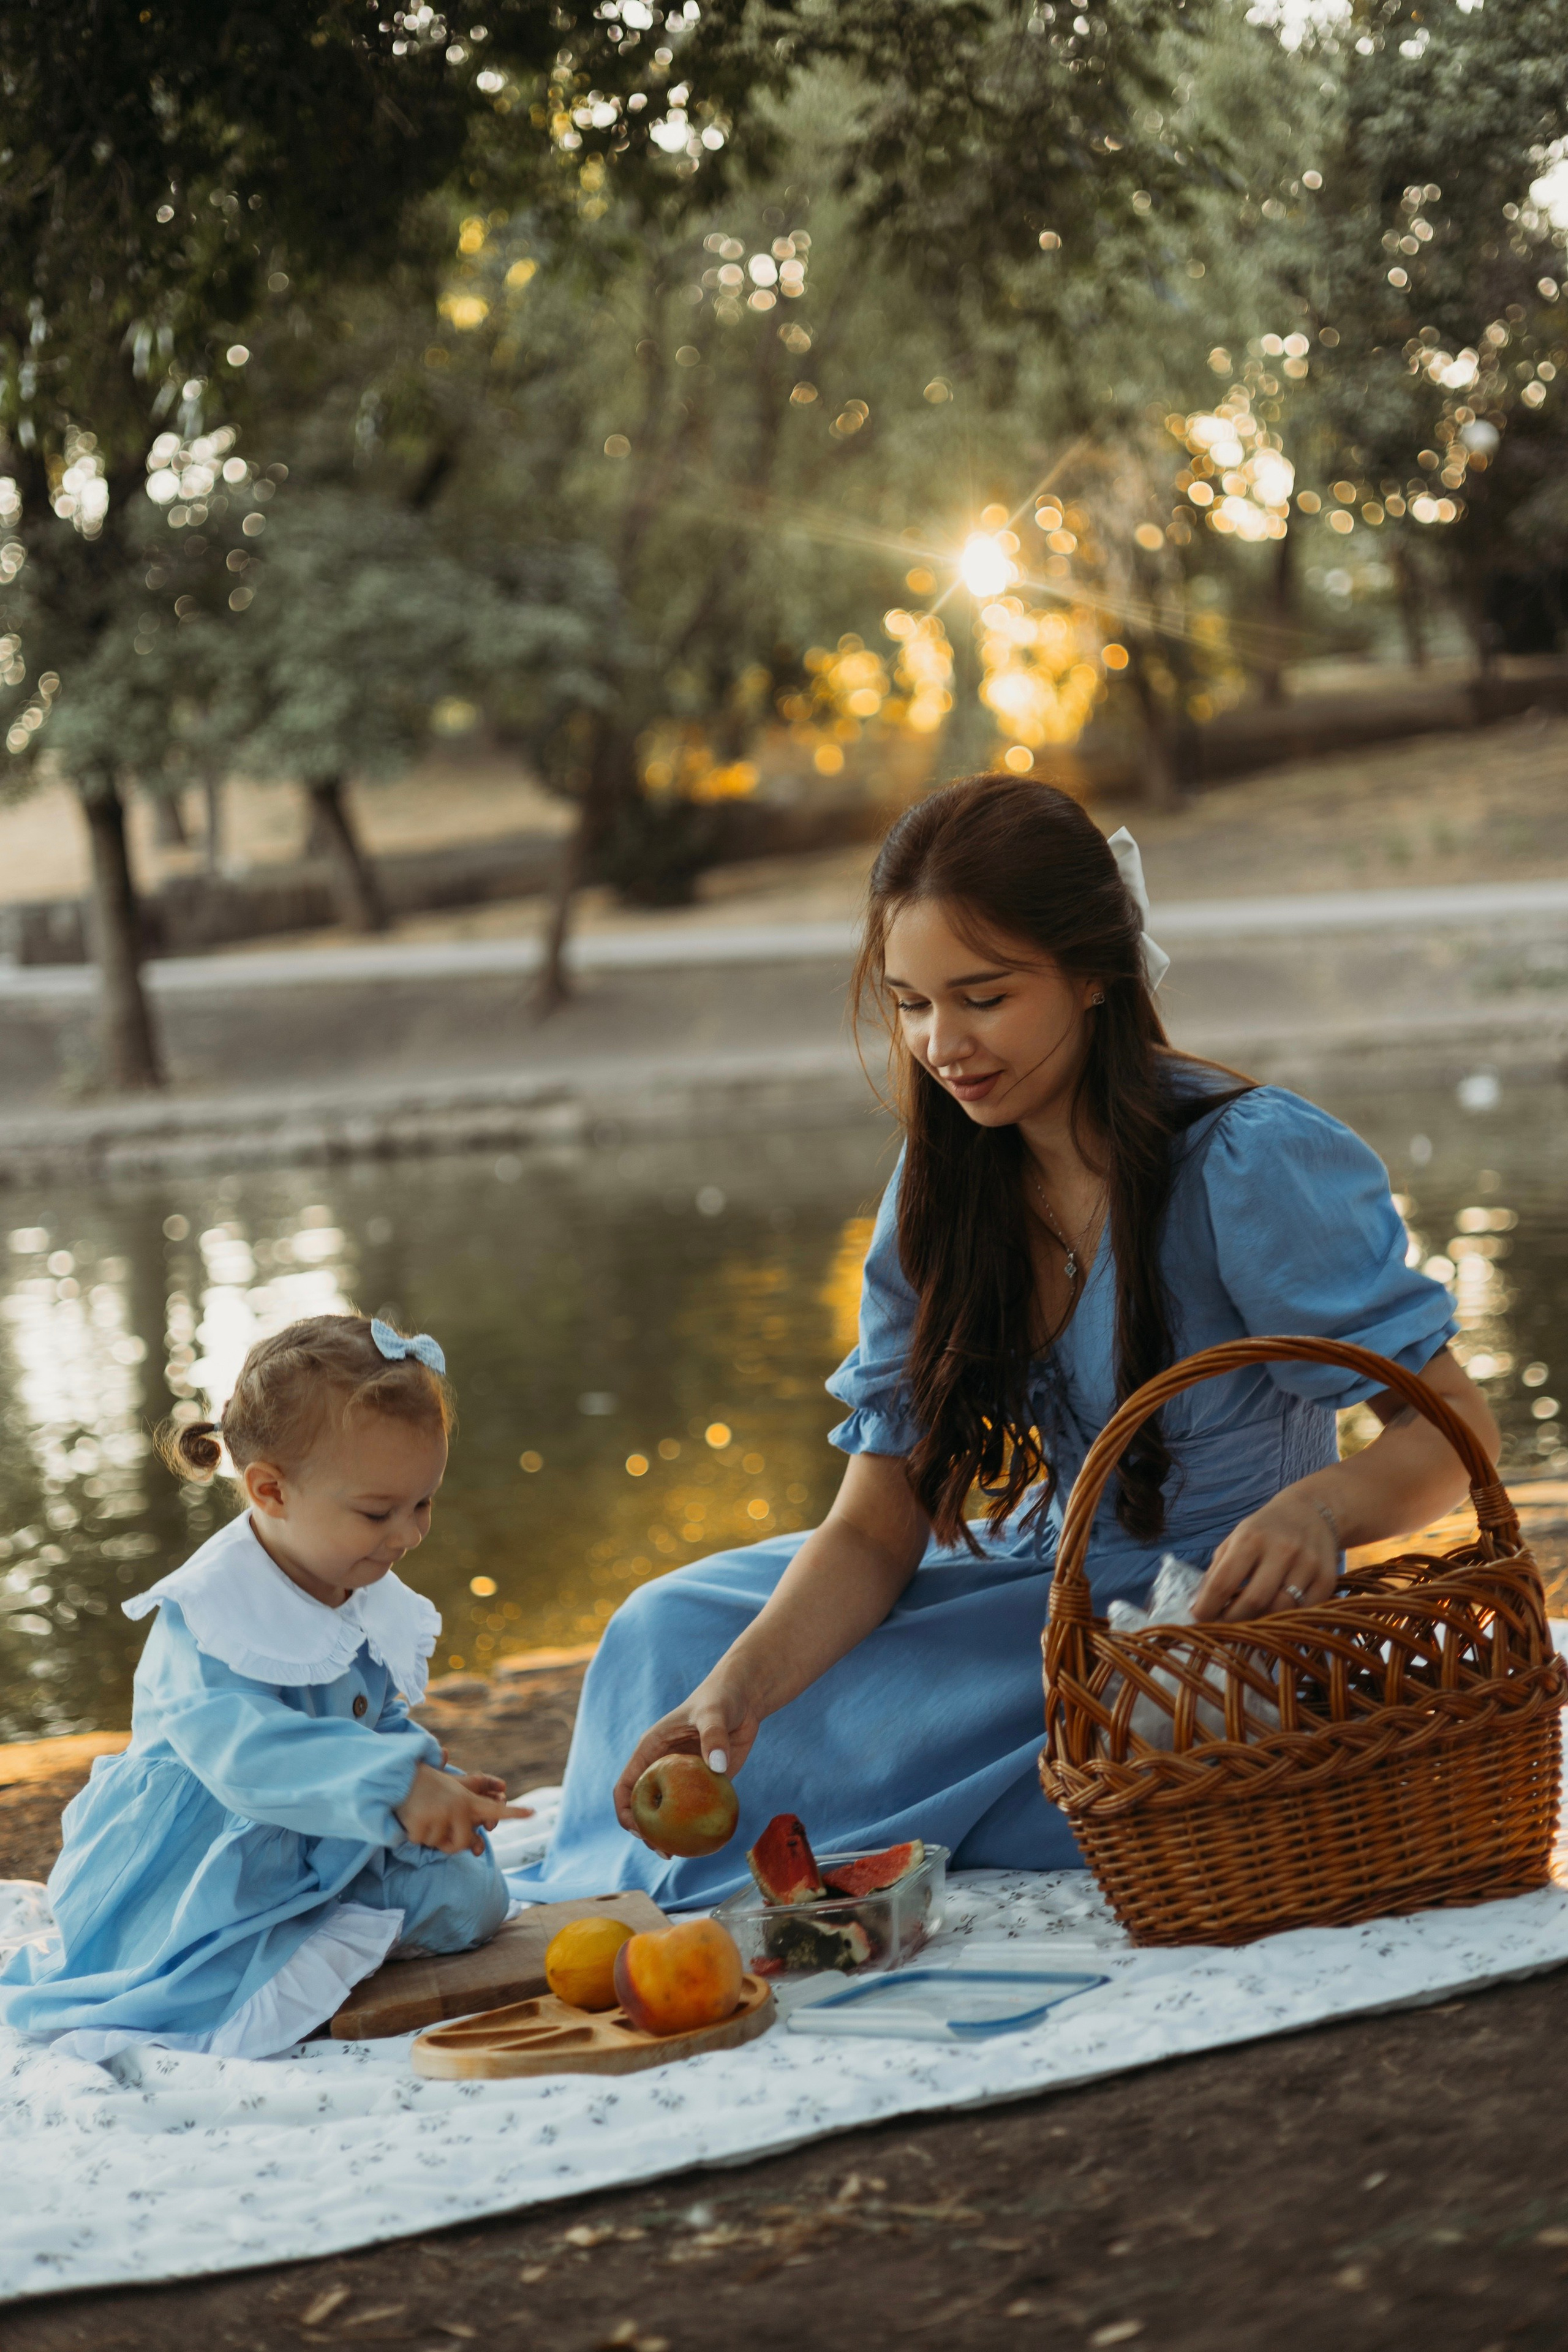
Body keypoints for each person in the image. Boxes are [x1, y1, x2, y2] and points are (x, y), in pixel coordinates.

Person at [516, 776, 1499, 1909]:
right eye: (911, 1004)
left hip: (1196, 1623)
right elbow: (878, 1524)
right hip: (1035, 1575)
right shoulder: (943, 1190)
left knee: (1133, 1745)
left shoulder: (1247, 1163)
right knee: (669, 1633)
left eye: (981, 997)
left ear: (1094, 974)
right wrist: (736, 1695)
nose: (944, 1045)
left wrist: (1322, 1511)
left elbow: (1455, 1432)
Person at [0, 1314, 516, 2062]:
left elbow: (377, 1712)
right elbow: (249, 1758)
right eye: (379, 1512)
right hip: (209, 1850)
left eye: (423, 1503)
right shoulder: (213, 1613)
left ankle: (342, 1922)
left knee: (476, 1898)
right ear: (271, 1490)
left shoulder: (352, 1573)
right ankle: (303, 1948)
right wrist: (391, 1785)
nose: (407, 1535)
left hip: (330, 1817)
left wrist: (433, 1783)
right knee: (230, 1978)